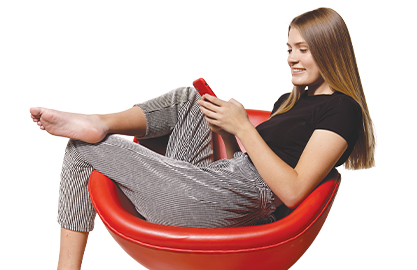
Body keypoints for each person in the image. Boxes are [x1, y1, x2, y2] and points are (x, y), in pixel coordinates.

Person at [30, 7, 375, 270]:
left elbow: (292, 190)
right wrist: (226, 132)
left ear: (329, 49)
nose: (291, 59)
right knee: (190, 101)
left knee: (80, 149)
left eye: (303, 49)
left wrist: (244, 129)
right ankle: (101, 121)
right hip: (218, 189)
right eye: (289, 49)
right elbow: (234, 167)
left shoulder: (343, 109)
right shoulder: (287, 103)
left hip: (244, 200)